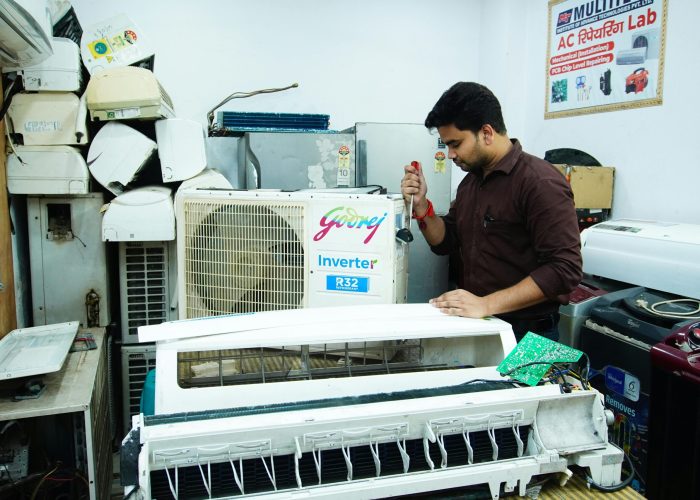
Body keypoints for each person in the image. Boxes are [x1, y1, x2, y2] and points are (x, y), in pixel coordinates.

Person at [400, 82, 582, 341]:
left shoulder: (539, 183)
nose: (450, 155)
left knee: (522, 385)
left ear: (486, 132)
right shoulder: (471, 182)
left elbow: (564, 270)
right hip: (481, 323)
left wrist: (486, 304)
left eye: (456, 144)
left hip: (530, 334)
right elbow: (446, 241)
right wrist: (421, 205)